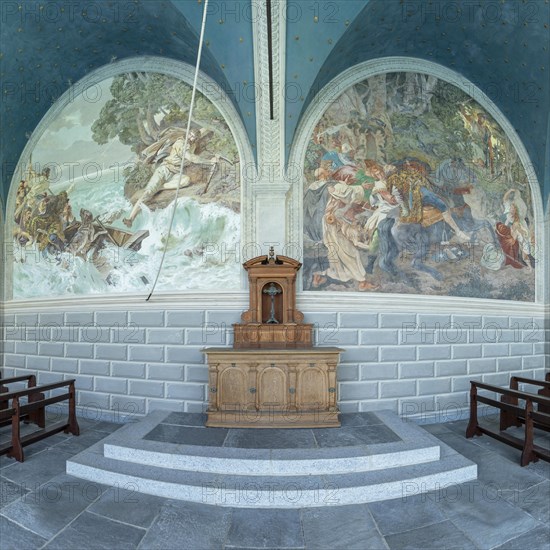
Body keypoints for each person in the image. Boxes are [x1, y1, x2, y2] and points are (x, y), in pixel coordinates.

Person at [123, 129, 218, 227]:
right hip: (164, 170)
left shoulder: (192, 146)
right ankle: (130, 218)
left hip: (175, 173)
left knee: (186, 181)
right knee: (147, 194)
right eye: (190, 135)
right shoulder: (181, 143)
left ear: (197, 138)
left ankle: (160, 187)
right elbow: (191, 158)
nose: (191, 137)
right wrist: (210, 162)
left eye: (194, 136)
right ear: (188, 133)